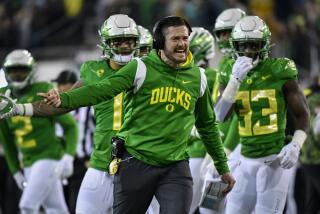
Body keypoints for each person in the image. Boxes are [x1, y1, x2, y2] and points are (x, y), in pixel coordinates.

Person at [0, 16, 235, 214]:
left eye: (132, 42)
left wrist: (221, 160)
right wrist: (22, 108)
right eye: (119, 41)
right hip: (107, 163)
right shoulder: (103, 71)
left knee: (208, 207)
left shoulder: (167, 71)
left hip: (160, 161)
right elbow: (83, 96)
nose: (125, 47)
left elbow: (213, 120)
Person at [214, 16, 310, 214]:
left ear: (265, 44)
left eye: (254, 45)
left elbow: (303, 113)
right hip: (238, 157)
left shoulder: (280, 70)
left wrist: (296, 144)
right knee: (219, 206)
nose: (248, 51)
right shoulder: (228, 71)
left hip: (273, 159)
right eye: (244, 45)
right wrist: (234, 81)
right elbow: (219, 116)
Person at [0, 49, 78, 214]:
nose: (18, 75)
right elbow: (6, 139)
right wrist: (15, 171)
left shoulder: (42, 89)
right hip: (27, 162)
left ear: (31, 71)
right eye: (13, 71)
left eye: (22, 70)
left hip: (48, 158)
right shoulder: (3, 96)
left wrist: (69, 156)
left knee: (27, 206)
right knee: (56, 209)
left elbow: (70, 125)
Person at [53, 70, 95, 213]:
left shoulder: (87, 106)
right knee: (62, 205)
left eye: (61, 84)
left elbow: (97, 132)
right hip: (62, 161)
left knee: (77, 205)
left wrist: (93, 158)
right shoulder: (58, 107)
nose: (58, 87)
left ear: (71, 85)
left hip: (83, 162)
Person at [187, 26, 217, 213]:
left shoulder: (202, 78)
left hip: (196, 155)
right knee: (211, 210)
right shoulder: (219, 76)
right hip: (221, 157)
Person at [297, 76, 320, 214]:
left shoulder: (307, 94)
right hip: (316, 156)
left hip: (305, 155)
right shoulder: (316, 99)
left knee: (312, 200)